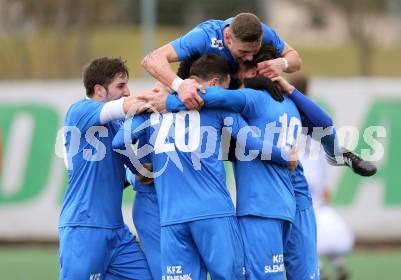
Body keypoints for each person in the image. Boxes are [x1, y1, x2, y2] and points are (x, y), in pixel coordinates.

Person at [113, 54, 299, 280]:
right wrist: (284, 155)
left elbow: (119, 142)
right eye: (224, 86)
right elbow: (249, 143)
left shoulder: (155, 106)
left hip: (173, 217)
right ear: (214, 84)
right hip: (213, 212)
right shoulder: (216, 107)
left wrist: (140, 171)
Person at [59, 57, 162, 280]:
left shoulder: (115, 125)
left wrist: (141, 175)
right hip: (85, 227)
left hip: (117, 233)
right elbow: (124, 107)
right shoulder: (80, 111)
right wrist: (162, 96)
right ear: (99, 89)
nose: (127, 92)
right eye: (120, 86)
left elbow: (125, 170)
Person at [141, 12, 302, 109]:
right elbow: (152, 59)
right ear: (227, 38)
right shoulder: (204, 37)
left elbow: (295, 59)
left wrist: (282, 63)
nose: (250, 58)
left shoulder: (263, 32)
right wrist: (179, 86)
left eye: (255, 51)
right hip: (199, 101)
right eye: (244, 52)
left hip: (236, 101)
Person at [294, 75, 354, 280]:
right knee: (320, 221)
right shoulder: (315, 115)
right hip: (316, 179)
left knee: (305, 224)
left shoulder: (288, 113)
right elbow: (323, 151)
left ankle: (317, 265)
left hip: (298, 176)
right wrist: (326, 182)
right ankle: (338, 263)